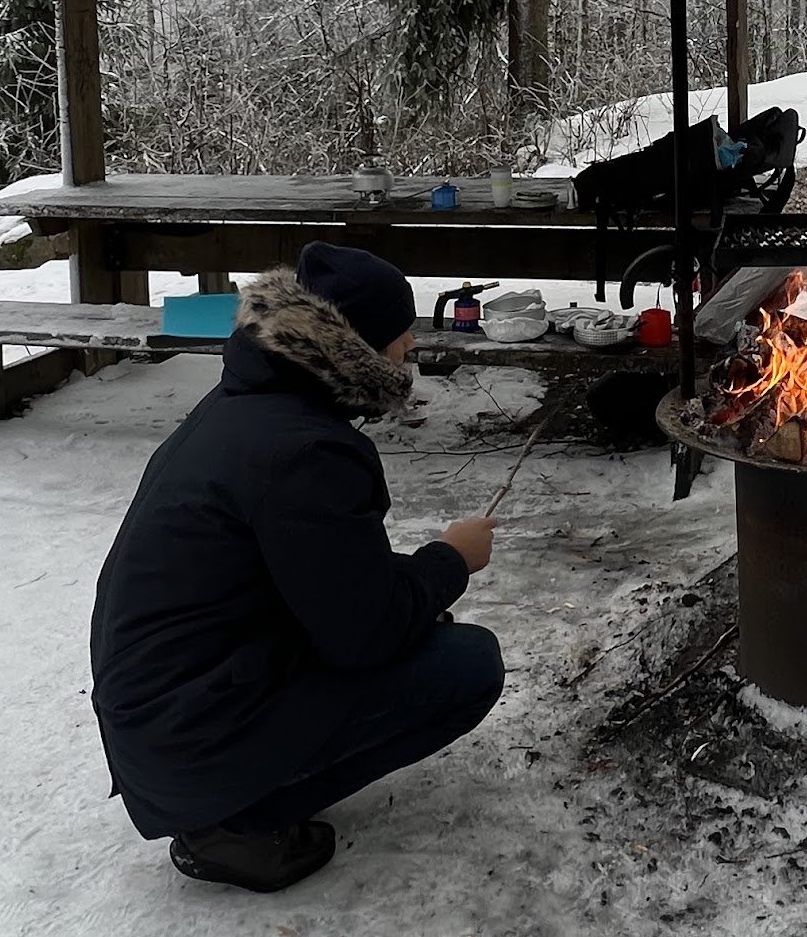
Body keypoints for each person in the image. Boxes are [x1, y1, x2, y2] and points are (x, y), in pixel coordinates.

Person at [91, 242, 502, 893]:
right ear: (356, 350)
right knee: (467, 665)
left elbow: (324, 574)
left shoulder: (250, 401)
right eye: (401, 343)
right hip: (187, 733)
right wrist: (451, 560)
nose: (409, 357)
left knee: (420, 620)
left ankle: (235, 791)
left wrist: (415, 591)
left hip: (165, 714)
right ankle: (237, 821)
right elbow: (365, 634)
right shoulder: (304, 452)